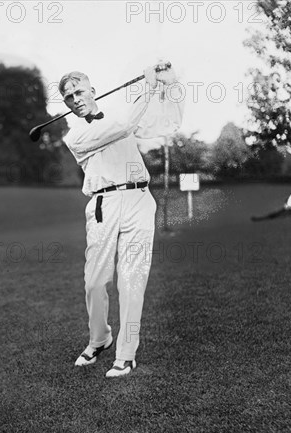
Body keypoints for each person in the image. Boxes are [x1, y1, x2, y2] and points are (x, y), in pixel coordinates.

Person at [60, 62, 184, 378]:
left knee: (131, 279)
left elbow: (166, 124)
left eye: (79, 91)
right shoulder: (75, 135)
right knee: (95, 281)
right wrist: (147, 85)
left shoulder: (118, 117)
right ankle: (100, 338)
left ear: (93, 91)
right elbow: (126, 124)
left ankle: (126, 355)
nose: (75, 99)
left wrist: (168, 86)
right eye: (69, 97)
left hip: (139, 200)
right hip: (103, 203)